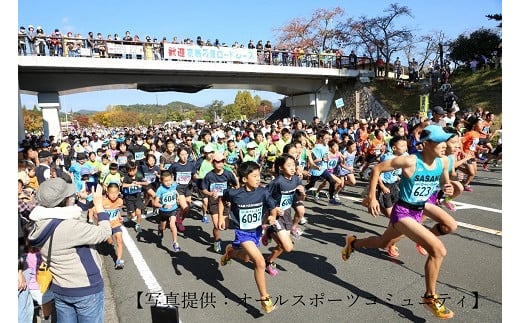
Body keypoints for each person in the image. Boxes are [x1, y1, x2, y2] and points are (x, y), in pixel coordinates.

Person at [341, 125, 457, 319]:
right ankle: (430, 296)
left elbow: (445, 182)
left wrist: (448, 189)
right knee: (438, 250)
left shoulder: (443, 161)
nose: (444, 146)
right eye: (440, 142)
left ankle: (353, 243)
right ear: (426, 144)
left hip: (420, 207)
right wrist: (372, 197)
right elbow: (376, 168)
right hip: (403, 211)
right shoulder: (411, 161)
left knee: (383, 243)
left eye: (446, 141)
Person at [28, 178, 112, 322]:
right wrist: (99, 206)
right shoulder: (68, 228)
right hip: (85, 288)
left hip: (61, 288)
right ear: (64, 200)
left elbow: (73, 224)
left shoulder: (39, 224)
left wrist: (82, 203)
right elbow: (104, 232)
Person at [218, 161, 281, 314]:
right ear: (245, 179)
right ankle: (265, 299)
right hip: (242, 233)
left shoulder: (263, 192)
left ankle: (230, 252)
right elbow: (222, 199)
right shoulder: (235, 193)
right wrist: (222, 217)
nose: (258, 178)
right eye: (254, 176)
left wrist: (272, 217)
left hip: (256, 232)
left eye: (259, 175)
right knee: (259, 262)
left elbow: (272, 208)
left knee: (245, 258)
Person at [263, 154, 306, 276]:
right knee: (288, 247)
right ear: (281, 168)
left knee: (282, 246)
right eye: (289, 165)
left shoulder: (296, 179)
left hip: (287, 214)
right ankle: (270, 230)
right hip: (276, 216)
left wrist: (302, 193)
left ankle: (268, 261)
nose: (293, 168)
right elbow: (264, 196)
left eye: (294, 165)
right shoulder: (277, 182)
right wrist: (275, 208)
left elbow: (300, 195)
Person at [201, 152, 239, 253]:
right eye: (217, 162)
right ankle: (216, 241)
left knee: (224, 226)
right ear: (213, 163)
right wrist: (210, 193)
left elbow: (236, 186)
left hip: (225, 202)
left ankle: (220, 236)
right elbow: (203, 189)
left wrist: (233, 197)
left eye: (222, 161)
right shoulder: (209, 175)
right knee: (217, 225)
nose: (220, 164)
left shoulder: (228, 173)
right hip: (213, 201)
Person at [168, 146, 197, 232]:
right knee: (185, 207)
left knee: (186, 208)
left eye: (185, 154)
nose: (184, 156)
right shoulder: (175, 166)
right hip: (178, 188)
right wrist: (171, 184)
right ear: (178, 155)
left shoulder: (191, 164)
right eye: (182, 154)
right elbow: (168, 175)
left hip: (188, 188)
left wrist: (197, 177)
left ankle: (179, 220)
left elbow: (194, 174)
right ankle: (178, 220)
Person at [153, 170, 182, 252]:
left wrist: (178, 196)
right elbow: (155, 203)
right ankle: (160, 228)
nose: (168, 183)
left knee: (173, 224)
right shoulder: (160, 190)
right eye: (166, 181)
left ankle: (175, 243)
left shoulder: (174, 185)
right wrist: (163, 205)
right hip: (164, 211)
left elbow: (175, 191)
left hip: (173, 209)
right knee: (163, 227)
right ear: (162, 181)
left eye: (170, 180)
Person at [101, 183, 125, 269]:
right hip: (106, 225)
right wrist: (101, 221)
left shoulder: (120, 201)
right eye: (111, 193)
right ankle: (105, 243)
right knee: (110, 242)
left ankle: (118, 261)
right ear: (107, 193)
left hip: (116, 223)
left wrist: (119, 216)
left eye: (116, 193)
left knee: (119, 239)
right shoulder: (103, 202)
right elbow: (97, 213)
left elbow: (117, 210)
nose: (114, 195)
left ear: (119, 192)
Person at [121, 160, 148, 233]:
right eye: (130, 171)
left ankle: (138, 225)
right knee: (133, 215)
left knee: (138, 212)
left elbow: (146, 183)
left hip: (138, 197)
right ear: (127, 171)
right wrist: (131, 184)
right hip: (129, 199)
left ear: (136, 169)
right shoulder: (126, 178)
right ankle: (129, 214)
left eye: (133, 170)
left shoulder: (139, 175)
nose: (132, 172)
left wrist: (139, 182)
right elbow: (123, 185)